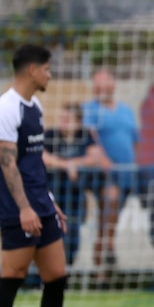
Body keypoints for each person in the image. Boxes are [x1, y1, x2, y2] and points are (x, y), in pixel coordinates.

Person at [0, 44, 82, 307]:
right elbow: (8, 163)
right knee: (12, 275)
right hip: (17, 208)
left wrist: (49, 203)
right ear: (31, 70)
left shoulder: (35, 106)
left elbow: (34, 161)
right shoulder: (4, 109)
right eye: (46, 69)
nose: (49, 75)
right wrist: (25, 207)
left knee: (56, 276)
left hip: (41, 204)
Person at [82, 69, 140, 272]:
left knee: (110, 216)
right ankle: (105, 251)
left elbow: (135, 141)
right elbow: (91, 138)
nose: (101, 89)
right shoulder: (89, 109)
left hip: (126, 172)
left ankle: (107, 251)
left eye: (104, 84)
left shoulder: (126, 111)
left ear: (113, 86)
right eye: (97, 85)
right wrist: (104, 161)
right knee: (110, 200)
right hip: (103, 173)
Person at [43, 103, 111, 266]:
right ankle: (42, 277)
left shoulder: (85, 135)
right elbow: (41, 157)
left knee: (72, 233)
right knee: (49, 234)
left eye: (67, 119)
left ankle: (66, 270)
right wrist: (66, 165)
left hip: (74, 196)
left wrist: (73, 163)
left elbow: (95, 158)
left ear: (78, 121)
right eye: (62, 118)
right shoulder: (51, 135)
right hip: (52, 193)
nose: (63, 122)